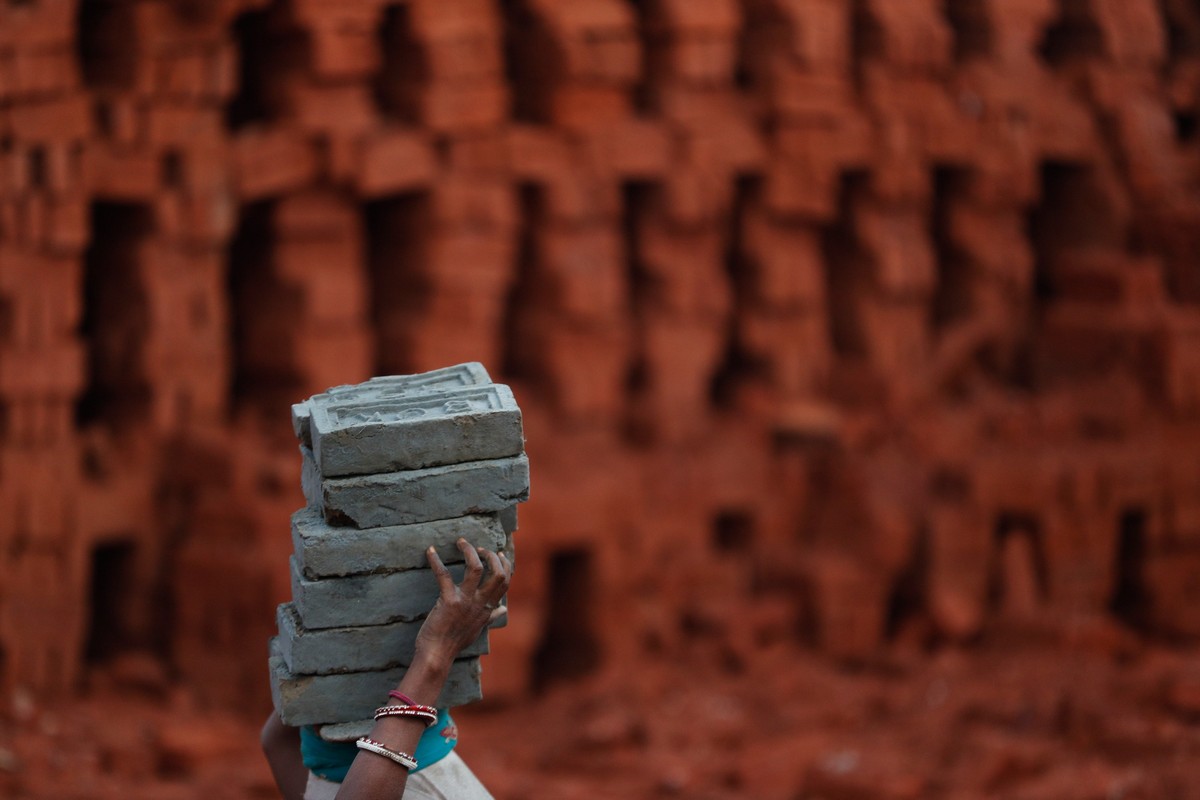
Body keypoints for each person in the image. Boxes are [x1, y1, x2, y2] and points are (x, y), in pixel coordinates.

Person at [262, 539, 512, 799]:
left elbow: (276, 743)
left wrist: (322, 665)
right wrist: (436, 654)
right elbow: (275, 743)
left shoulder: (315, 780)